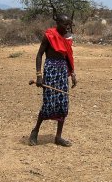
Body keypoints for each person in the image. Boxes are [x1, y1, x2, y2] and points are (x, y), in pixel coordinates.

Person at [29, 14, 77, 147]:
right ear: (58, 23)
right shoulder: (49, 36)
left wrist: (72, 73)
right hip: (50, 71)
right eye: (65, 24)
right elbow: (39, 55)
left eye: (69, 24)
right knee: (48, 103)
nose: (68, 27)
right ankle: (35, 131)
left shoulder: (67, 37)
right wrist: (39, 75)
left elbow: (68, 56)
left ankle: (58, 137)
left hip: (62, 71)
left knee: (63, 104)